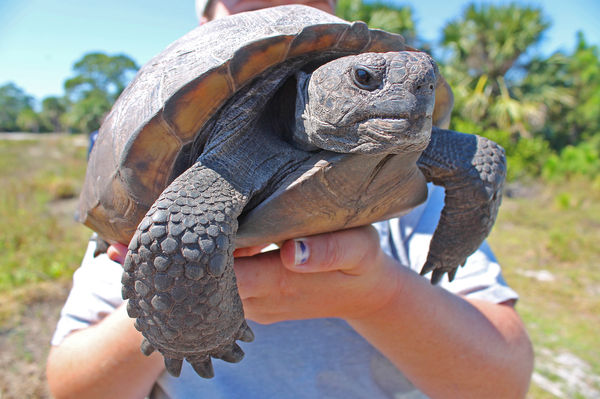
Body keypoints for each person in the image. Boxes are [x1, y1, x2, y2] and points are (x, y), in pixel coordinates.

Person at [46, 1, 534, 398]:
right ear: (205, 18)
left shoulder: (408, 154)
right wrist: (183, 309)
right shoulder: (208, 176)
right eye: (366, 80)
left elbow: (503, 383)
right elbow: (70, 386)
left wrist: (388, 290)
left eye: (423, 84)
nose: (411, 92)